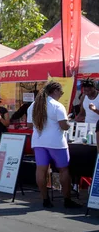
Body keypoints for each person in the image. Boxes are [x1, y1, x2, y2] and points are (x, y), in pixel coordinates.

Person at [28, 81, 81, 209]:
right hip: (56, 142)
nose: (61, 95)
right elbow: (64, 126)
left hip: (38, 141)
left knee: (41, 170)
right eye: (61, 92)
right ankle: (67, 200)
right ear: (55, 91)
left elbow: (30, 125)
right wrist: (69, 122)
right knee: (63, 169)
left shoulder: (33, 105)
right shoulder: (57, 106)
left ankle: (45, 199)